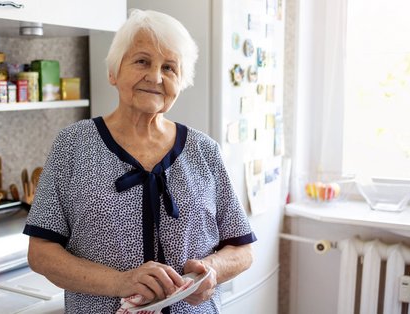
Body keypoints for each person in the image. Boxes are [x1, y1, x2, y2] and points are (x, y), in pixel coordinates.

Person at [23, 9, 256, 314]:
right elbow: (41, 254)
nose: (156, 77)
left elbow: (242, 249)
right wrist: (122, 282)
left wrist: (211, 270)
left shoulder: (204, 150)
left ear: (181, 81)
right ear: (113, 72)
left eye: (170, 68)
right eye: (142, 61)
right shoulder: (73, 145)